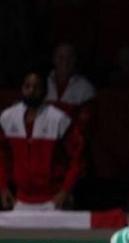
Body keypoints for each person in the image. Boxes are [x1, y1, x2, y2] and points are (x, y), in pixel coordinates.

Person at [0, 69, 84, 210]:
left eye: (36, 87)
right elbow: (1, 155)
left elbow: (78, 158)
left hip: (53, 199)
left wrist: (65, 190)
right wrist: (2, 187)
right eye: (27, 86)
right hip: (20, 199)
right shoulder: (7, 118)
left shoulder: (59, 119)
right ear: (22, 88)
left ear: (45, 91)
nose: (31, 90)